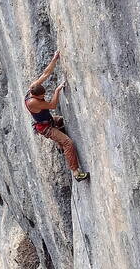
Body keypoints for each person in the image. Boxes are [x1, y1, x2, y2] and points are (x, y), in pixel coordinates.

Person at [25, 50, 89, 181]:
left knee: (61, 121)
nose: (43, 97)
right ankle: (77, 173)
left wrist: (54, 59)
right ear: (35, 96)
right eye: (41, 97)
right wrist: (57, 90)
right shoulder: (33, 102)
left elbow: (45, 73)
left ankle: (60, 146)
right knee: (68, 143)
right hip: (46, 128)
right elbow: (53, 105)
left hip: (49, 121)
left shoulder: (34, 87)